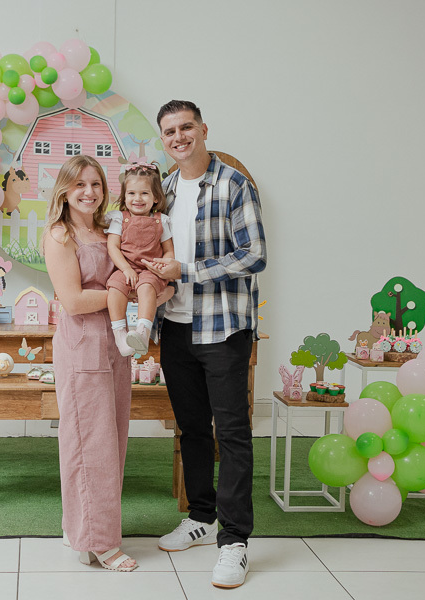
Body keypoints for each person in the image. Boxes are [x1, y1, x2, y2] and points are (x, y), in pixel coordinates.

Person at [143, 100, 267, 589]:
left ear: (203, 129)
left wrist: (188, 272)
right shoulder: (165, 190)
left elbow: (254, 254)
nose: (178, 137)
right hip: (175, 327)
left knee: (232, 432)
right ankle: (201, 517)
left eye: (186, 127)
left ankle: (234, 541)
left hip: (223, 328)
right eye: (169, 131)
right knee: (192, 429)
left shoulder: (235, 185)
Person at [42, 155, 171, 572]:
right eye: (79, 184)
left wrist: (153, 290)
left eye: (96, 184)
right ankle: (101, 543)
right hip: (82, 347)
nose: (89, 192)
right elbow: (74, 301)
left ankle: (80, 530)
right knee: (88, 443)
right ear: (64, 189)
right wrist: (130, 295)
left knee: (112, 441)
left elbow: (145, 279)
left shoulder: (107, 232)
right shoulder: (60, 236)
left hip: (117, 346)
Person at [105, 162, 174, 356]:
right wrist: (126, 269)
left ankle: (143, 331)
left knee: (147, 287)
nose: (137, 198)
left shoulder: (161, 220)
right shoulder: (120, 218)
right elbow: (113, 247)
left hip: (151, 270)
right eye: (132, 193)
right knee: (115, 288)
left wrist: (163, 265)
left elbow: (168, 250)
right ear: (124, 196)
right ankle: (120, 334)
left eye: (144, 193)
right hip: (125, 267)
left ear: (155, 198)